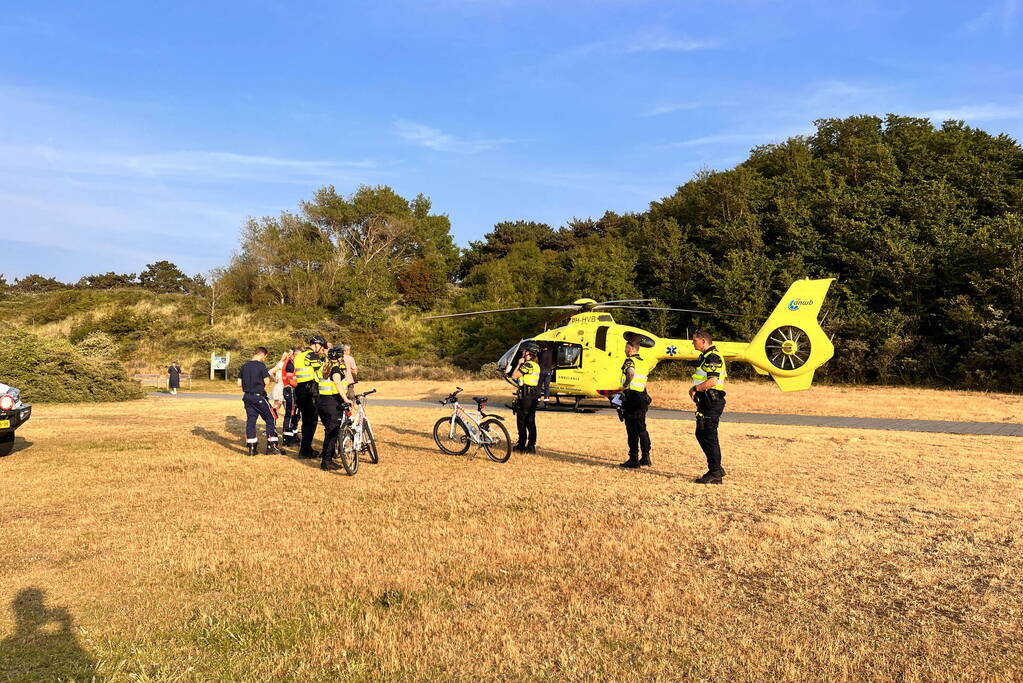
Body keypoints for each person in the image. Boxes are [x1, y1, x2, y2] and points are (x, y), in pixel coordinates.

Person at [689, 329, 728, 484]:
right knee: (701, 434)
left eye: (695, 340)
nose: (693, 343)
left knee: (709, 436)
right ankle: (716, 467)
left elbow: (712, 381)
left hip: (712, 401)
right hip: (705, 401)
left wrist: (695, 389)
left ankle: (715, 473)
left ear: (703, 341)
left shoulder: (713, 356)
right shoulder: (705, 356)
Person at [237, 347, 281, 456]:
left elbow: (238, 383)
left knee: (251, 420)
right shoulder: (261, 366)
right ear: (263, 355)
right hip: (258, 396)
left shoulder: (244, 366)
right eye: (265, 357)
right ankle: (272, 446)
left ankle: (252, 447)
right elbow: (266, 381)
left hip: (247, 397)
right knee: (271, 417)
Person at [619, 334, 652, 469]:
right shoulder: (643, 362)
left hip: (632, 397)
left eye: (626, 347)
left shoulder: (629, 361)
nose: (625, 349)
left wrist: (625, 385)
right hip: (642, 396)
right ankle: (646, 457)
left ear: (632, 348)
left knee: (632, 429)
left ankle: (633, 459)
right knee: (642, 428)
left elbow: (631, 373)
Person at [293, 336, 327, 458]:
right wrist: (327, 358)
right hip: (310, 390)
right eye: (322, 347)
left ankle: (305, 448)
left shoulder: (300, 355)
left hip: (300, 389)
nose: (322, 350)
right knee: (311, 421)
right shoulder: (311, 355)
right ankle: (305, 450)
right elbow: (322, 371)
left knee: (306, 420)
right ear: (317, 345)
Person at [316, 346, 350, 471]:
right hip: (333, 403)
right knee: (332, 433)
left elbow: (317, 380)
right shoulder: (336, 369)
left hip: (322, 402)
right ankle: (326, 462)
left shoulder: (323, 367)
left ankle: (329, 457)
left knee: (329, 431)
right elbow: (337, 383)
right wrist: (346, 399)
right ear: (340, 357)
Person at [511, 342, 541, 453]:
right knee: (531, 421)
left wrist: (519, 364)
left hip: (526, 396)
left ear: (529, 353)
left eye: (524, 351)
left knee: (522, 421)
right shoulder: (536, 365)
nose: (522, 353)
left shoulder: (527, 365)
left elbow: (515, 375)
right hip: (533, 396)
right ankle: (531, 446)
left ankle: (521, 445)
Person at [281, 346, 301, 446]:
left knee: (295, 414)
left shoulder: (292, 362)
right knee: (291, 412)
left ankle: (293, 434)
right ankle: (287, 437)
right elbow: (290, 380)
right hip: (290, 389)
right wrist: (301, 385)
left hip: (293, 390)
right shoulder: (290, 364)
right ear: (294, 354)